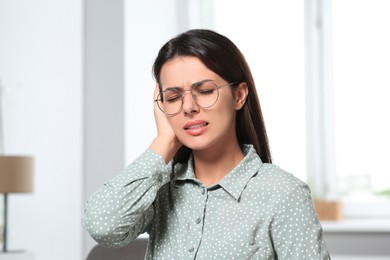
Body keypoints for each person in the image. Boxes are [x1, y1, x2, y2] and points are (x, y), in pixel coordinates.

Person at [82, 29, 330, 259]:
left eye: (205, 91)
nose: (188, 107)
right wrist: (164, 142)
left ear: (239, 95)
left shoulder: (283, 193)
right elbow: (103, 226)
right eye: (173, 97)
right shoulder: (160, 189)